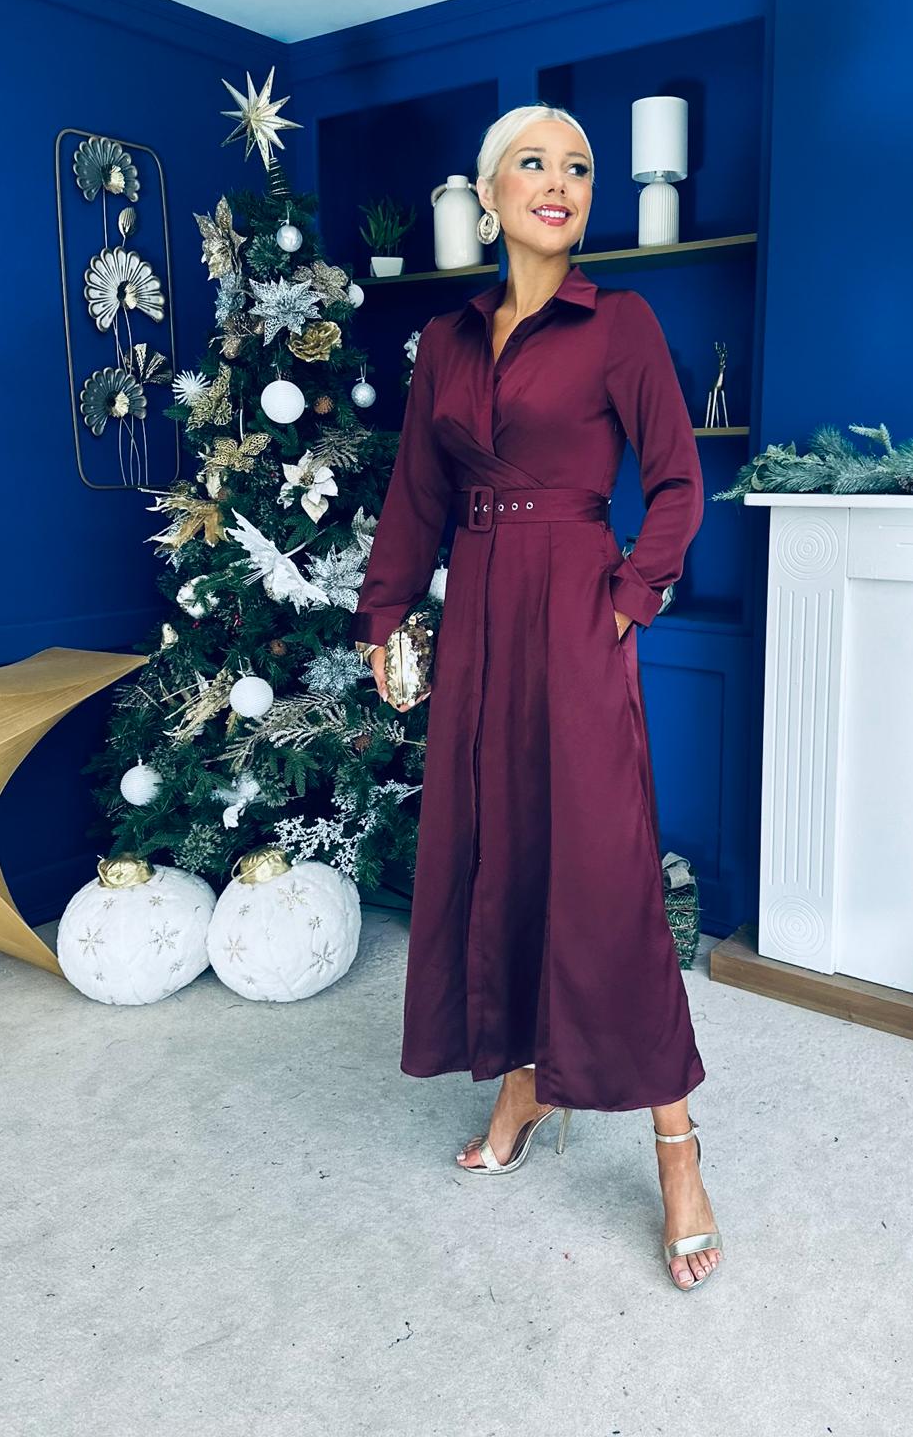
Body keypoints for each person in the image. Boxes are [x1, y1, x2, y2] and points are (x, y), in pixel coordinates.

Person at [352, 104, 722, 1290]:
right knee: (498, 853)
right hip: (477, 615)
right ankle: (522, 1085)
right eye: (533, 163)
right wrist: (384, 614)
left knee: (607, 875)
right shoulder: (448, 341)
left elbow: (678, 481)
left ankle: (676, 1145)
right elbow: (416, 494)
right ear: (489, 195)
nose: (557, 182)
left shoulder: (621, 323)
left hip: (575, 607)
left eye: (577, 167)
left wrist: (628, 598)